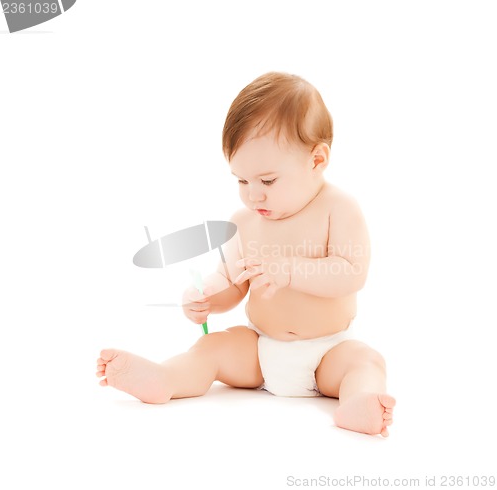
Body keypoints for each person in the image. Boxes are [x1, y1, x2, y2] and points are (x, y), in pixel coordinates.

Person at [96, 72, 395, 437]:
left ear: (317, 160)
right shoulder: (245, 222)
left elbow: (352, 273)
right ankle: (166, 378)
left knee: (365, 361)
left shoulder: (338, 209)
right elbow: (231, 283)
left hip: (327, 352)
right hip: (260, 350)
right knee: (213, 347)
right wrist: (206, 298)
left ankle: (357, 403)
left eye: (267, 181)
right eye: (241, 181)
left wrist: (289, 271)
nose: (254, 196)